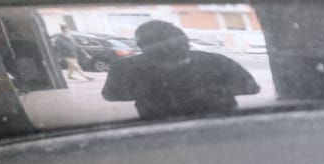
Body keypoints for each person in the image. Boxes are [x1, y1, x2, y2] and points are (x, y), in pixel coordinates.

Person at [102, 20, 261, 119]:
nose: (169, 51)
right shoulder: (216, 61)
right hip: (163, 131)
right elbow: (111, 94)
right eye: (162, 46)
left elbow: (251, 88)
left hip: (216, 127)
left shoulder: (217, 61)